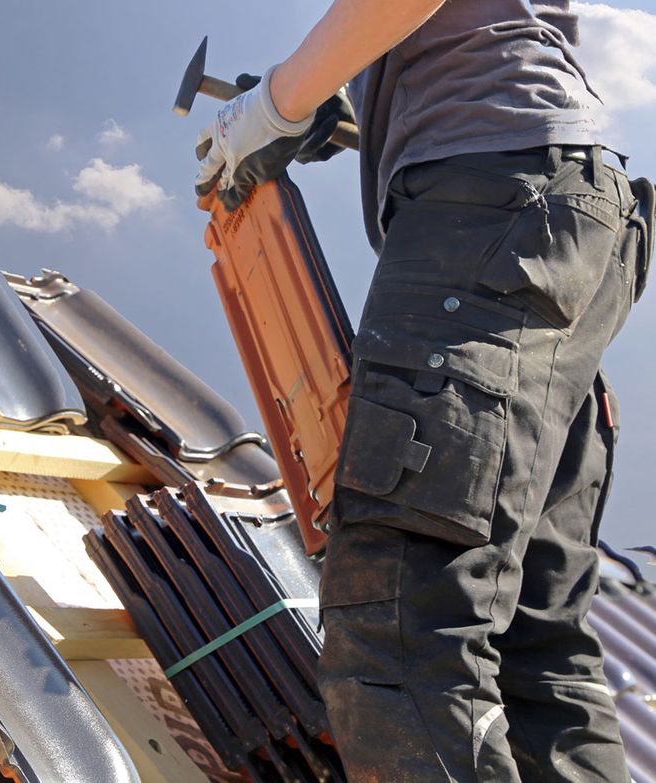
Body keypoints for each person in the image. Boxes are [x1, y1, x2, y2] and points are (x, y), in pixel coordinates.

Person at [195, 1, 651, 780]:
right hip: (564, 225)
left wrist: (272, 106)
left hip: (492, 214)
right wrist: (335, 101)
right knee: (532, 646)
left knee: (399, 621)